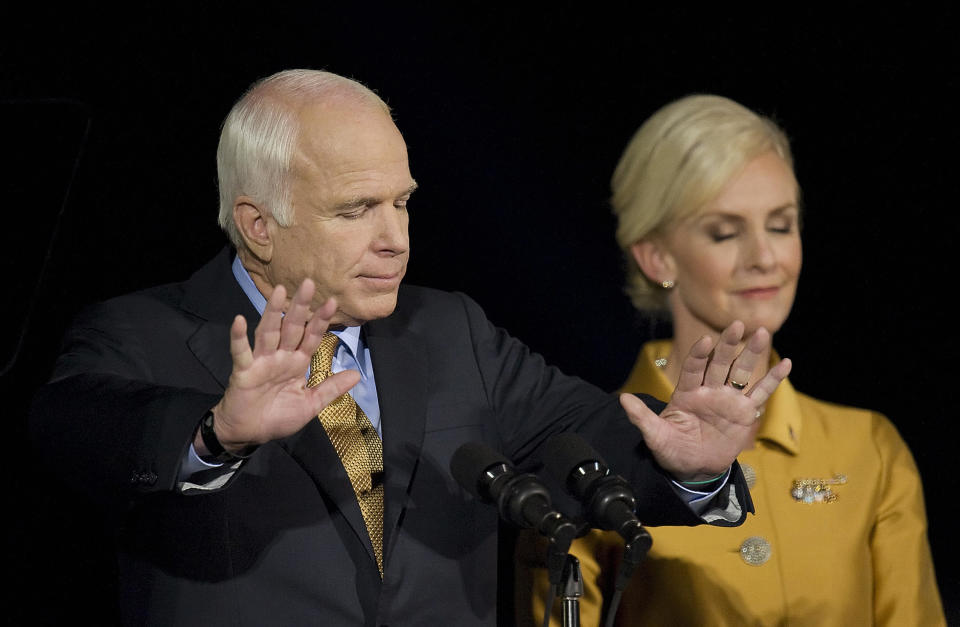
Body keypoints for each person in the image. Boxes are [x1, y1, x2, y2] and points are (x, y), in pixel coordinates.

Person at [29, 72, 789, 627]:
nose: (395, 239)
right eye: (356, 209)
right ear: (260, 225)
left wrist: (692, 463)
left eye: (402, 202)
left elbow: (590, 434)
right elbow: (76, 427)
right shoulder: (144, 331)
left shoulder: (450, 330)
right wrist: (215, 434)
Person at [526, 94, 945, 626]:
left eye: (781, 225)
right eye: (725, 232)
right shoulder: (585, 456)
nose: (765, 257)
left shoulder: (869, 448)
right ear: (657, 257)